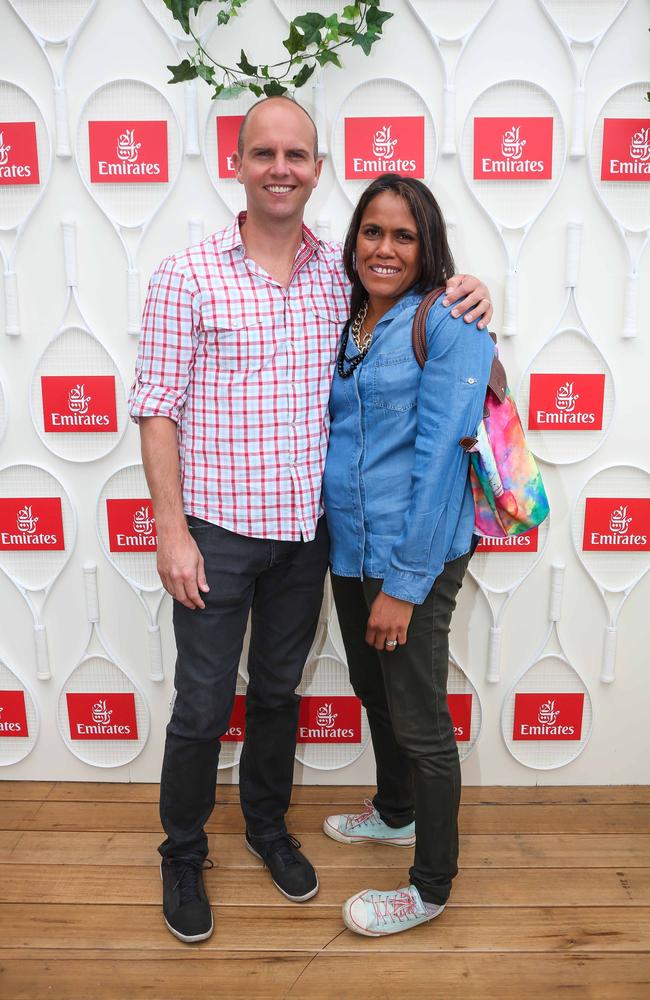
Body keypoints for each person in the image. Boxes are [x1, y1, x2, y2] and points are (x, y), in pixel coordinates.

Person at [128, 96, 493, 944]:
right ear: (241, 164)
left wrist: (464, 287)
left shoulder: (344, 274)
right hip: (216, 532)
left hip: (307, 538)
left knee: (279, 695)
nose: (280, 167)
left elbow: (427, 328)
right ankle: (182, 853)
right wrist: (171, 530)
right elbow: (155, 408)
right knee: (201, 703)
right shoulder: (186, 275)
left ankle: (264, 828)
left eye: (297, 154)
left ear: (319, 168)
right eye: (264, 153)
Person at [321, 173, 494, 936]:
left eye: (403, 235)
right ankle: (394, 814)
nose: (384, 248)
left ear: (428, 248)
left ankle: (430, 887)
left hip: (411, 556)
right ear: (353, 238)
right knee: (374, 693)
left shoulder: (449, 320)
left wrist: (406, 584)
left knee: (420, 721)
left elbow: (441, 464)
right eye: (371, 231)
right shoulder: (352, 319)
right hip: (350, 549)